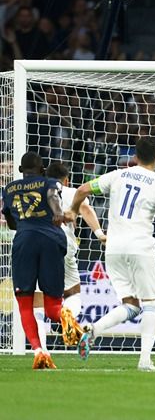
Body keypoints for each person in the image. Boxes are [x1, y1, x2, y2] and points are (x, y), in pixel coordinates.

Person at [68, 136, 155, 371]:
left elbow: (82, 189)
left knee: (131, 305)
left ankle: (94, 331)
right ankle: (144, 360)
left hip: (113, 248)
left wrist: (73, 210)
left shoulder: (117, 175)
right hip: (140, 247)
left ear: (134, 156)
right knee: (151, 303)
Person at [1, 152, 82, 369]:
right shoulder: (50, 182)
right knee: (53, 304)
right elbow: (53, 196)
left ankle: (38, 352)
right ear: (43, 169)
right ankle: (65, 314)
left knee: (25, 302)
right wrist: (57, 214)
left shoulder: (8, 190)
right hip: (51, 240)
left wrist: (27, 221)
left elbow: (11, 223)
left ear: (20, 170)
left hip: (24, 243)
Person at [32, 162, 107, 354]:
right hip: (63, 243)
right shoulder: (72, 192)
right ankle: (68, 314)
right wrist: (99, 234)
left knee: (38, 299)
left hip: (36, 243)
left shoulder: (35, 191)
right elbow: (86, 210)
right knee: (73, 292)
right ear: (66, 180)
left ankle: (42, 352)